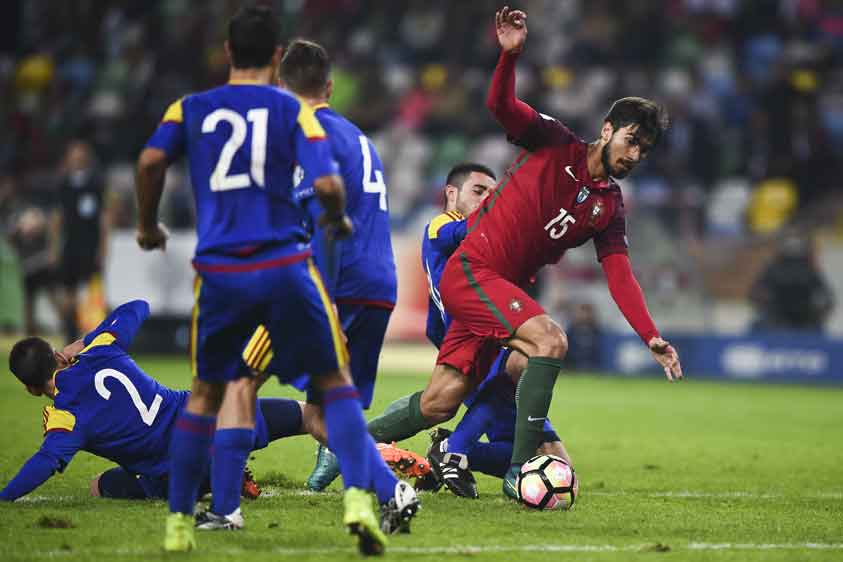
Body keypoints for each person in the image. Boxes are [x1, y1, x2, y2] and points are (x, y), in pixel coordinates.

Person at [358, 6, 683, 501]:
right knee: (549, 342)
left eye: (645, 149)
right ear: (608, 128)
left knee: (440, 402)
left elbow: (620, 275)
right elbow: (501, 106)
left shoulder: (608, 206)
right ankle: (516, 473)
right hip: (474, 271)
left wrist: (651, 335)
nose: (635, 155)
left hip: (500, 290)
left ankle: (347, 446)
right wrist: (508, 57)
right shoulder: (555, 143)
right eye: (632, 140)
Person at [135, 6, 392, 555]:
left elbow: (151, 161)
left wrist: (147, 225)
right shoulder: (292, 110)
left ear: (227, 53)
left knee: (209, 395)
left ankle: (180, 523)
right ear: (276, 57)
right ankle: (359, 502)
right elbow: (325, 182)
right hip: (284, 268)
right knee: (337, 384)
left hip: (221, 273)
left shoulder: (190, 107)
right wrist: (337, 215)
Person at [210, 38, 417, 536]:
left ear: (283, 86)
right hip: (376, 284)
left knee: (238, 380)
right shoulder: (357, 136)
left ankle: (223, 508)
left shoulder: (309, 136)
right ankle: (394, 492)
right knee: (326, 413)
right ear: (329, 85)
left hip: (328, 287)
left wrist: (318, 305)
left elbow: (326, 221)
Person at [0, 300, 306, 503]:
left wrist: (5, 497)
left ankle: (218, 472)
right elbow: (138, 307)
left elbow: (45, 463)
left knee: (98, 486)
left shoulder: (65, 416)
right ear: (57, 356)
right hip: (217, 414)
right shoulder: (102, 348)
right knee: (306, 415)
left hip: (176, 470)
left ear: (31, 389)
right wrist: (82, 343)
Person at [54, 140, 109, 343]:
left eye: (80, 153)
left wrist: (103, 249)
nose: (76, 157)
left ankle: (90, 341)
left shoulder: (96, 184)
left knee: (91, 297)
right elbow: (57, 217)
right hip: (69, 247)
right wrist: (54, 247)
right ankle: (69, 337)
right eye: (73, 153)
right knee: (67, 297)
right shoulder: (63, 184)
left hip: (89, 247)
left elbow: (104, 218)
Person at [750, 233, 835, 331]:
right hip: (776, 321)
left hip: (805, 321)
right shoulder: (773, 269)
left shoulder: (810, 271)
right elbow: (754, 293)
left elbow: (827, 297)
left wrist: (818, 314)